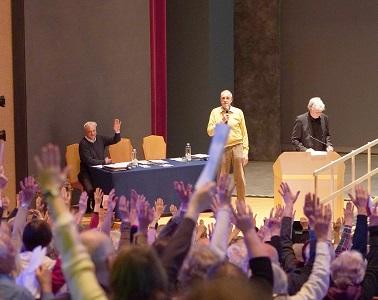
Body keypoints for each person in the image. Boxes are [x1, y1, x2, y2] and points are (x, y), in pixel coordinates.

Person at [207, 90, 249, 200]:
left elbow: (244, 133)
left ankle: (241, 204)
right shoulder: (215, 112)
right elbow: (210, 131)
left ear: (231, 100)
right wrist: (221, 122)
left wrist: (245, 151)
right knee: (222, 178)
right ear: (220, 100)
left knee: (239, 177)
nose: (225, 100)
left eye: (227, 98)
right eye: (223, 98)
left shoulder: (238, 112)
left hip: (237, 146)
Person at [78, 119, 121, 212]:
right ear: (86, 133)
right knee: (90, 190)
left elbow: (115, 140)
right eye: (90, 132)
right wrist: (103, 162)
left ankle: (101, 207)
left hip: (99, 172)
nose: (92, 133)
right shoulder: (83, 144)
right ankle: (89, 207)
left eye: (94, 131)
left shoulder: (100, 138)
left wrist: (117, 131)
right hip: (87, 173)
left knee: (107, 186)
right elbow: (89, 161)